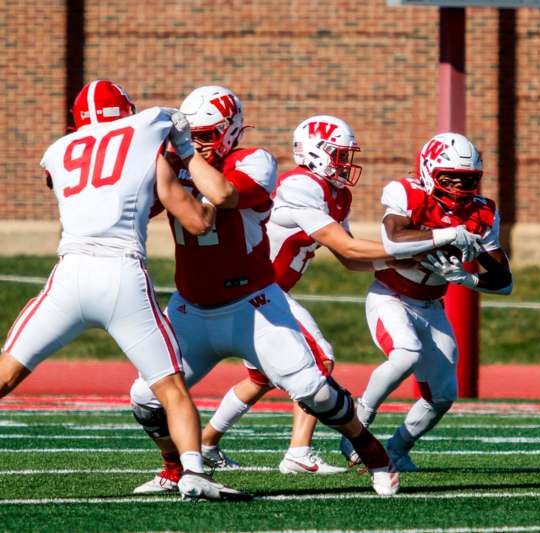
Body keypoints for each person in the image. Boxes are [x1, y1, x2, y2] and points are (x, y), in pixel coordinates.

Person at [0, 80, 247, 501]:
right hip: (121, 273)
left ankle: (180, 468)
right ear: (125, 111)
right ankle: (192, 472)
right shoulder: (153, 122)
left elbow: (65, 181)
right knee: (170, 388)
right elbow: (198, 215)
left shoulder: (58, 151)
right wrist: (182, 156)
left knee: (7, 372)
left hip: (70, 272)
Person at [197, 115, 462, 475]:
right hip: (257, 286)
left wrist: (410, 263)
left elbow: (350, 262)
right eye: (338, 155)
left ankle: (207, 442)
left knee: (263, 376)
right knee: (318, 358)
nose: (345, 164)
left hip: (268, 289)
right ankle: (298, 452)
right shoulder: (301, 185)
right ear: (314, 154)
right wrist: (418, 248)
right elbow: (350, 249)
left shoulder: (337, 193)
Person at [340, 132, 513, 471]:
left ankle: (398, 450)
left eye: (468, 179)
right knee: (405, 355)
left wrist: (468, 279)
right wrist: (448, 234)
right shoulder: (408, 193)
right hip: (391, 296)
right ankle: (356, 429)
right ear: (429, 171)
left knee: (444, 393)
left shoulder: (483, 213)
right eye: (450, 178)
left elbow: (505, 281)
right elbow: (392, 239)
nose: (460, 187)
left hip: (432, 306)